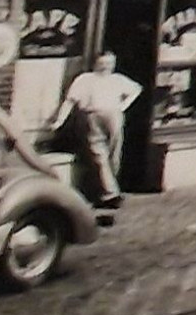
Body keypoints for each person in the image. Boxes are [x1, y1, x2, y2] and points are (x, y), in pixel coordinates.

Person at [50, 50, 141, 210]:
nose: (106, 67)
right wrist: (59, 121)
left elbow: (136, 89)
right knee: (99, 153)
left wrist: (123, 106)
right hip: (92, 115)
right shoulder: (85, 80)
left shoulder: (117, 80)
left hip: (113, 115)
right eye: (102, 63)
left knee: (113, 152)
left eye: (110, 63)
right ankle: (110, 192)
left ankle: (108, 188)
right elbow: (70, 101)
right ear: (95, 64)